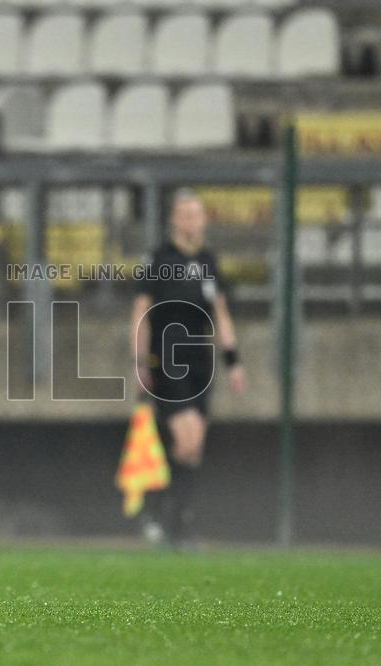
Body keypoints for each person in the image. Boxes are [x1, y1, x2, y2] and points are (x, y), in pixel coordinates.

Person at [131, 190, 247, 545]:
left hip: (201, 359)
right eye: (186, 215)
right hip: (168, 356)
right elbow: (140, 312)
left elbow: (220, 313)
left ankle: (171, 521)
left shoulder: (209, 261)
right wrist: (139, 360)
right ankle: (167, 519)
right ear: (174, 220)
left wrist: (233, 361)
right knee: (187, 437)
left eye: (197, 215)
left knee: (193, 447)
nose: (193, 221)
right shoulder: (160, 259)